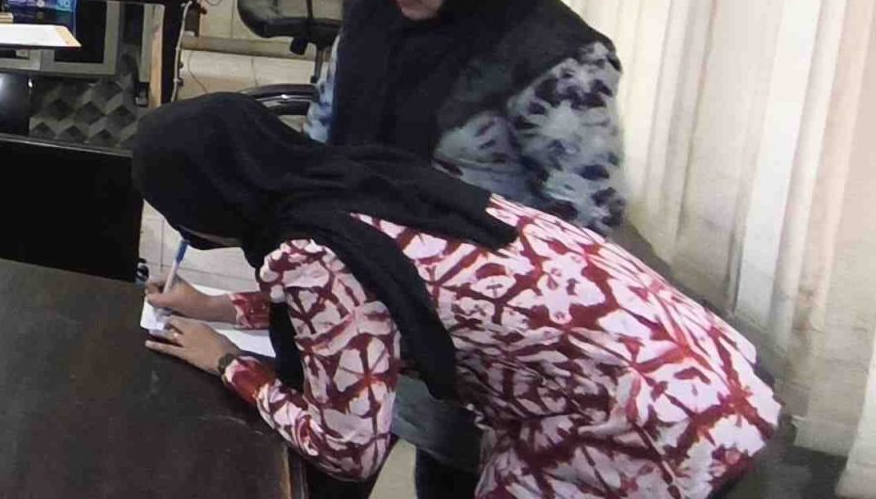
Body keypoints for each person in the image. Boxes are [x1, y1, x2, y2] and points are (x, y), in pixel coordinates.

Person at [135, 94, 778, 499]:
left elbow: (347, 448)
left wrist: (230, 363)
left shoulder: (313, 256)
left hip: (641, 425)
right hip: (700, 368)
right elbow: (379, 298)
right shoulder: (358, 177)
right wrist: (221, 307)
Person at [315, 0, 626, 493]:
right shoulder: (374, 19)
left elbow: (583, 222)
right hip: (357, 292)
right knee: (326, 463)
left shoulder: (551, 56)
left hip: (478, 327)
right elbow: (323, 130)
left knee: (449, 473)